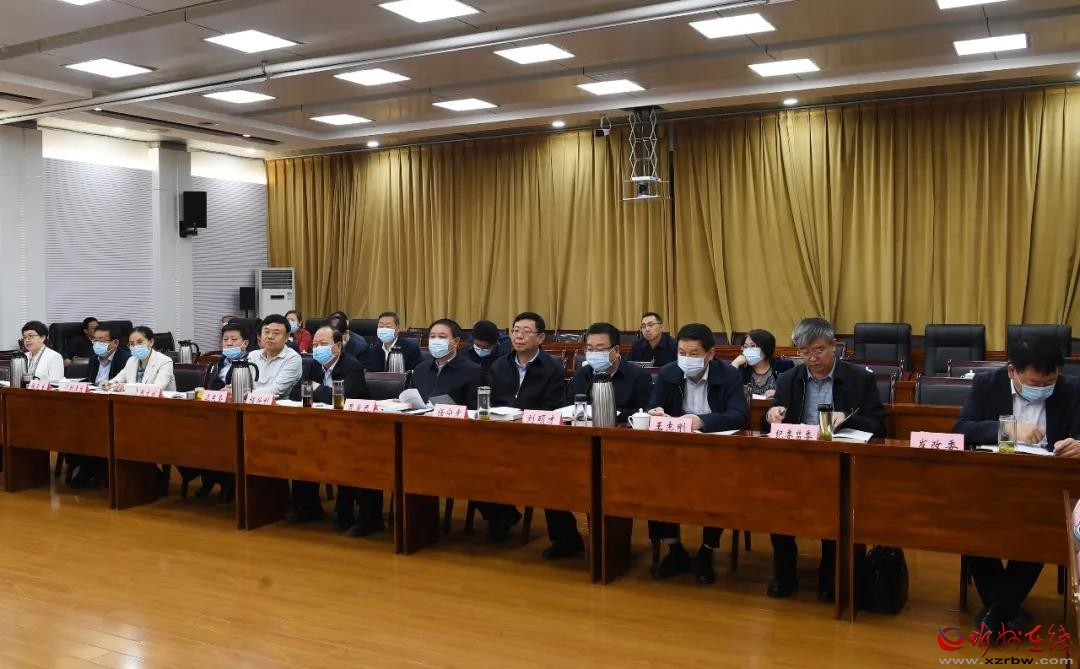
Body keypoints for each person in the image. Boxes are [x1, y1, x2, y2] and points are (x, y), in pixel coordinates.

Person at [954, 334, 1080, 636]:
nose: (1044, 388)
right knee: (969, 518)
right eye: (1035, 383)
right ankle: (1005, 608)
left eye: (1050, 381)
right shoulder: (988, 384)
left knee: (1044, 525)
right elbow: (962, 429)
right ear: (1012, 371)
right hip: (992, 482)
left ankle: (995, 611)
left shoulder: (1071, 390)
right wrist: (1009, 430)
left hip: (1046, 488)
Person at [764, 317, 885, 602]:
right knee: (778, 504)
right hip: (795, 461)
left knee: (837, 509)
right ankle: (784, 574)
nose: (812, 358)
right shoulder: (788, 378)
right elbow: (771, 422)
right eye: (804, 352)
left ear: (834, 346)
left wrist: (848, 419)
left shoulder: (860, 379)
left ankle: (830, 576)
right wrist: (771, 414)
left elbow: (879, 426)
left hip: (840, 462)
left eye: (818, 350)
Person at [646, 323, 748, 584]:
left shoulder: (729, 375)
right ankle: (674, 549)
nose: (686, 359)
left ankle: (707, 550)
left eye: (693, 354)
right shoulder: (668, 372)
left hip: (715, 452)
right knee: (653, 481)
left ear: (710, 354)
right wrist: (655, 412)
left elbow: (739, 416)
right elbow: (652, 405)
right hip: (674, 451)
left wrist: (702, 421)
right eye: (682, 353)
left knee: (719, 488)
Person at [543, 322, 654, 560]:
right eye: (590, 348)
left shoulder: (639, 377)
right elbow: (569, 405)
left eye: (601, 349)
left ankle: (611, 545)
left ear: (616, 350)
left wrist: (615, 414)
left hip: (621, 449)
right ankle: (565, 539)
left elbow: (645, 412)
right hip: (582, 444)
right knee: (551, 473)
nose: (594, 354)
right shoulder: (583, 374)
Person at [479, 311, 565, 540]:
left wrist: (522, 418)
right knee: (471, 463)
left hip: (537, 438)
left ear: (541, 338)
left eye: (526, 332)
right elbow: (490, 402)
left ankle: (562, 538)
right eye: (515, 331)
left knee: (553, 475)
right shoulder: (499, 366)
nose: (519, 336)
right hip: (500, 435)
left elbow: (553, 407)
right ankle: (502, 515)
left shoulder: (553, 369)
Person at [295, 326, 374, 533]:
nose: (317, 348)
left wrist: (317, 388)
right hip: (322, 426)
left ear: (338, 347)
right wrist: (318, 390)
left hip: (357, 429)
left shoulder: (352, 366)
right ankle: (308, 506)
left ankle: (353, 513)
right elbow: (298, 392)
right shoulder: (313, 365)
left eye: (323, 344)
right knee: (301, 448)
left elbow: (344, 397)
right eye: (315, 345)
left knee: (348, 457)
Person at [180, 322, 250, 499]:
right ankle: (208, 478)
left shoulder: (250, 362)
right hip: (215, 410)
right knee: (190, 434)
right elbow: (211, 386)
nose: (229, 343)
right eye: (225, 339)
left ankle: (227, 483)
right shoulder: (218, 362)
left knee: (221, 439)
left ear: (245, 343)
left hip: (236, 414)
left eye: (234, 339)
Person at [411, 318, 483, 407]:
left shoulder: (472, 371)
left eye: (442, 337)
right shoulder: (420, 369)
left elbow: (475, 408)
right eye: (432, 336)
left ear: (456, 341)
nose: (436, 341)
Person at [245, 315, 303, 401]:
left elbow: (278, 389)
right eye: (266, 332)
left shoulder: (293, 358)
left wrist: (246, 394)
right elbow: (244, 383)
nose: (270, 337)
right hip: (249, 403)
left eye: (276, 333)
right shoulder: (253, 355)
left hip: (279, 406)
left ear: (286, 337)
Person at [104, 326, 176, 390]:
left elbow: (158, 387)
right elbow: (118, 379)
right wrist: (108, 384)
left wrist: (127, 386)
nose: (135, 346)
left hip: (161, 400)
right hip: (135, 399)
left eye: (140, 342)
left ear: (151, 342)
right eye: (132, 344)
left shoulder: (165, 361)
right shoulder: (131, 360)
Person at [730, 329, 795, 398]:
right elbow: (727, 390)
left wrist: (779, 392)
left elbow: (795, 392)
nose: (748, 350)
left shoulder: (784, 366)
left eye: (753, 346)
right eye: (745, 347)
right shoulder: (741, 368)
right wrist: (735, 363)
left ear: (766, 348)